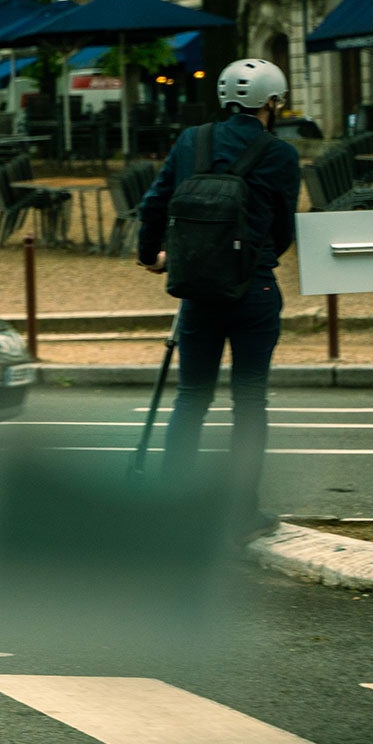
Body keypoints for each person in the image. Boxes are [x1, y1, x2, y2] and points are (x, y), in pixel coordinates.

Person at [136, 58, 301, 539]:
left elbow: (154, 203)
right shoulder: (279, 154)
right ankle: (242, 514)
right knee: (249, 401)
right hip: (254, 290)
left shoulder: (192, 141)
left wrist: (155, 255)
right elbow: (281, 228)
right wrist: (257, 257)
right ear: (271, 102)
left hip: (199, 291)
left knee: (191, 399)